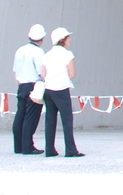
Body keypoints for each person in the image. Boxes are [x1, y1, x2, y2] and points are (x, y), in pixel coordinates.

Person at [40, 27, 83, 158]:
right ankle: (70, 150)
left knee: (50, 119)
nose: (70, 39)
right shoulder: (68, 54)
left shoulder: (46, 55)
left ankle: (49, 150)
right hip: (62, 89)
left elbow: (42, 74)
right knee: (67, 120)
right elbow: (72, 74)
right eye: (68, 37)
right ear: (62, 40)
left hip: (48, 90)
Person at [12, 24, 46, 155]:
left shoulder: (20, 50)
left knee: (20, 115)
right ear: (42, 38)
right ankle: (28, 146)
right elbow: (41, 73)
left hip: (22, 85)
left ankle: (18, 146)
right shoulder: (38, 52)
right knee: (31, 117)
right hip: (34, 86)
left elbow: (15, 71)